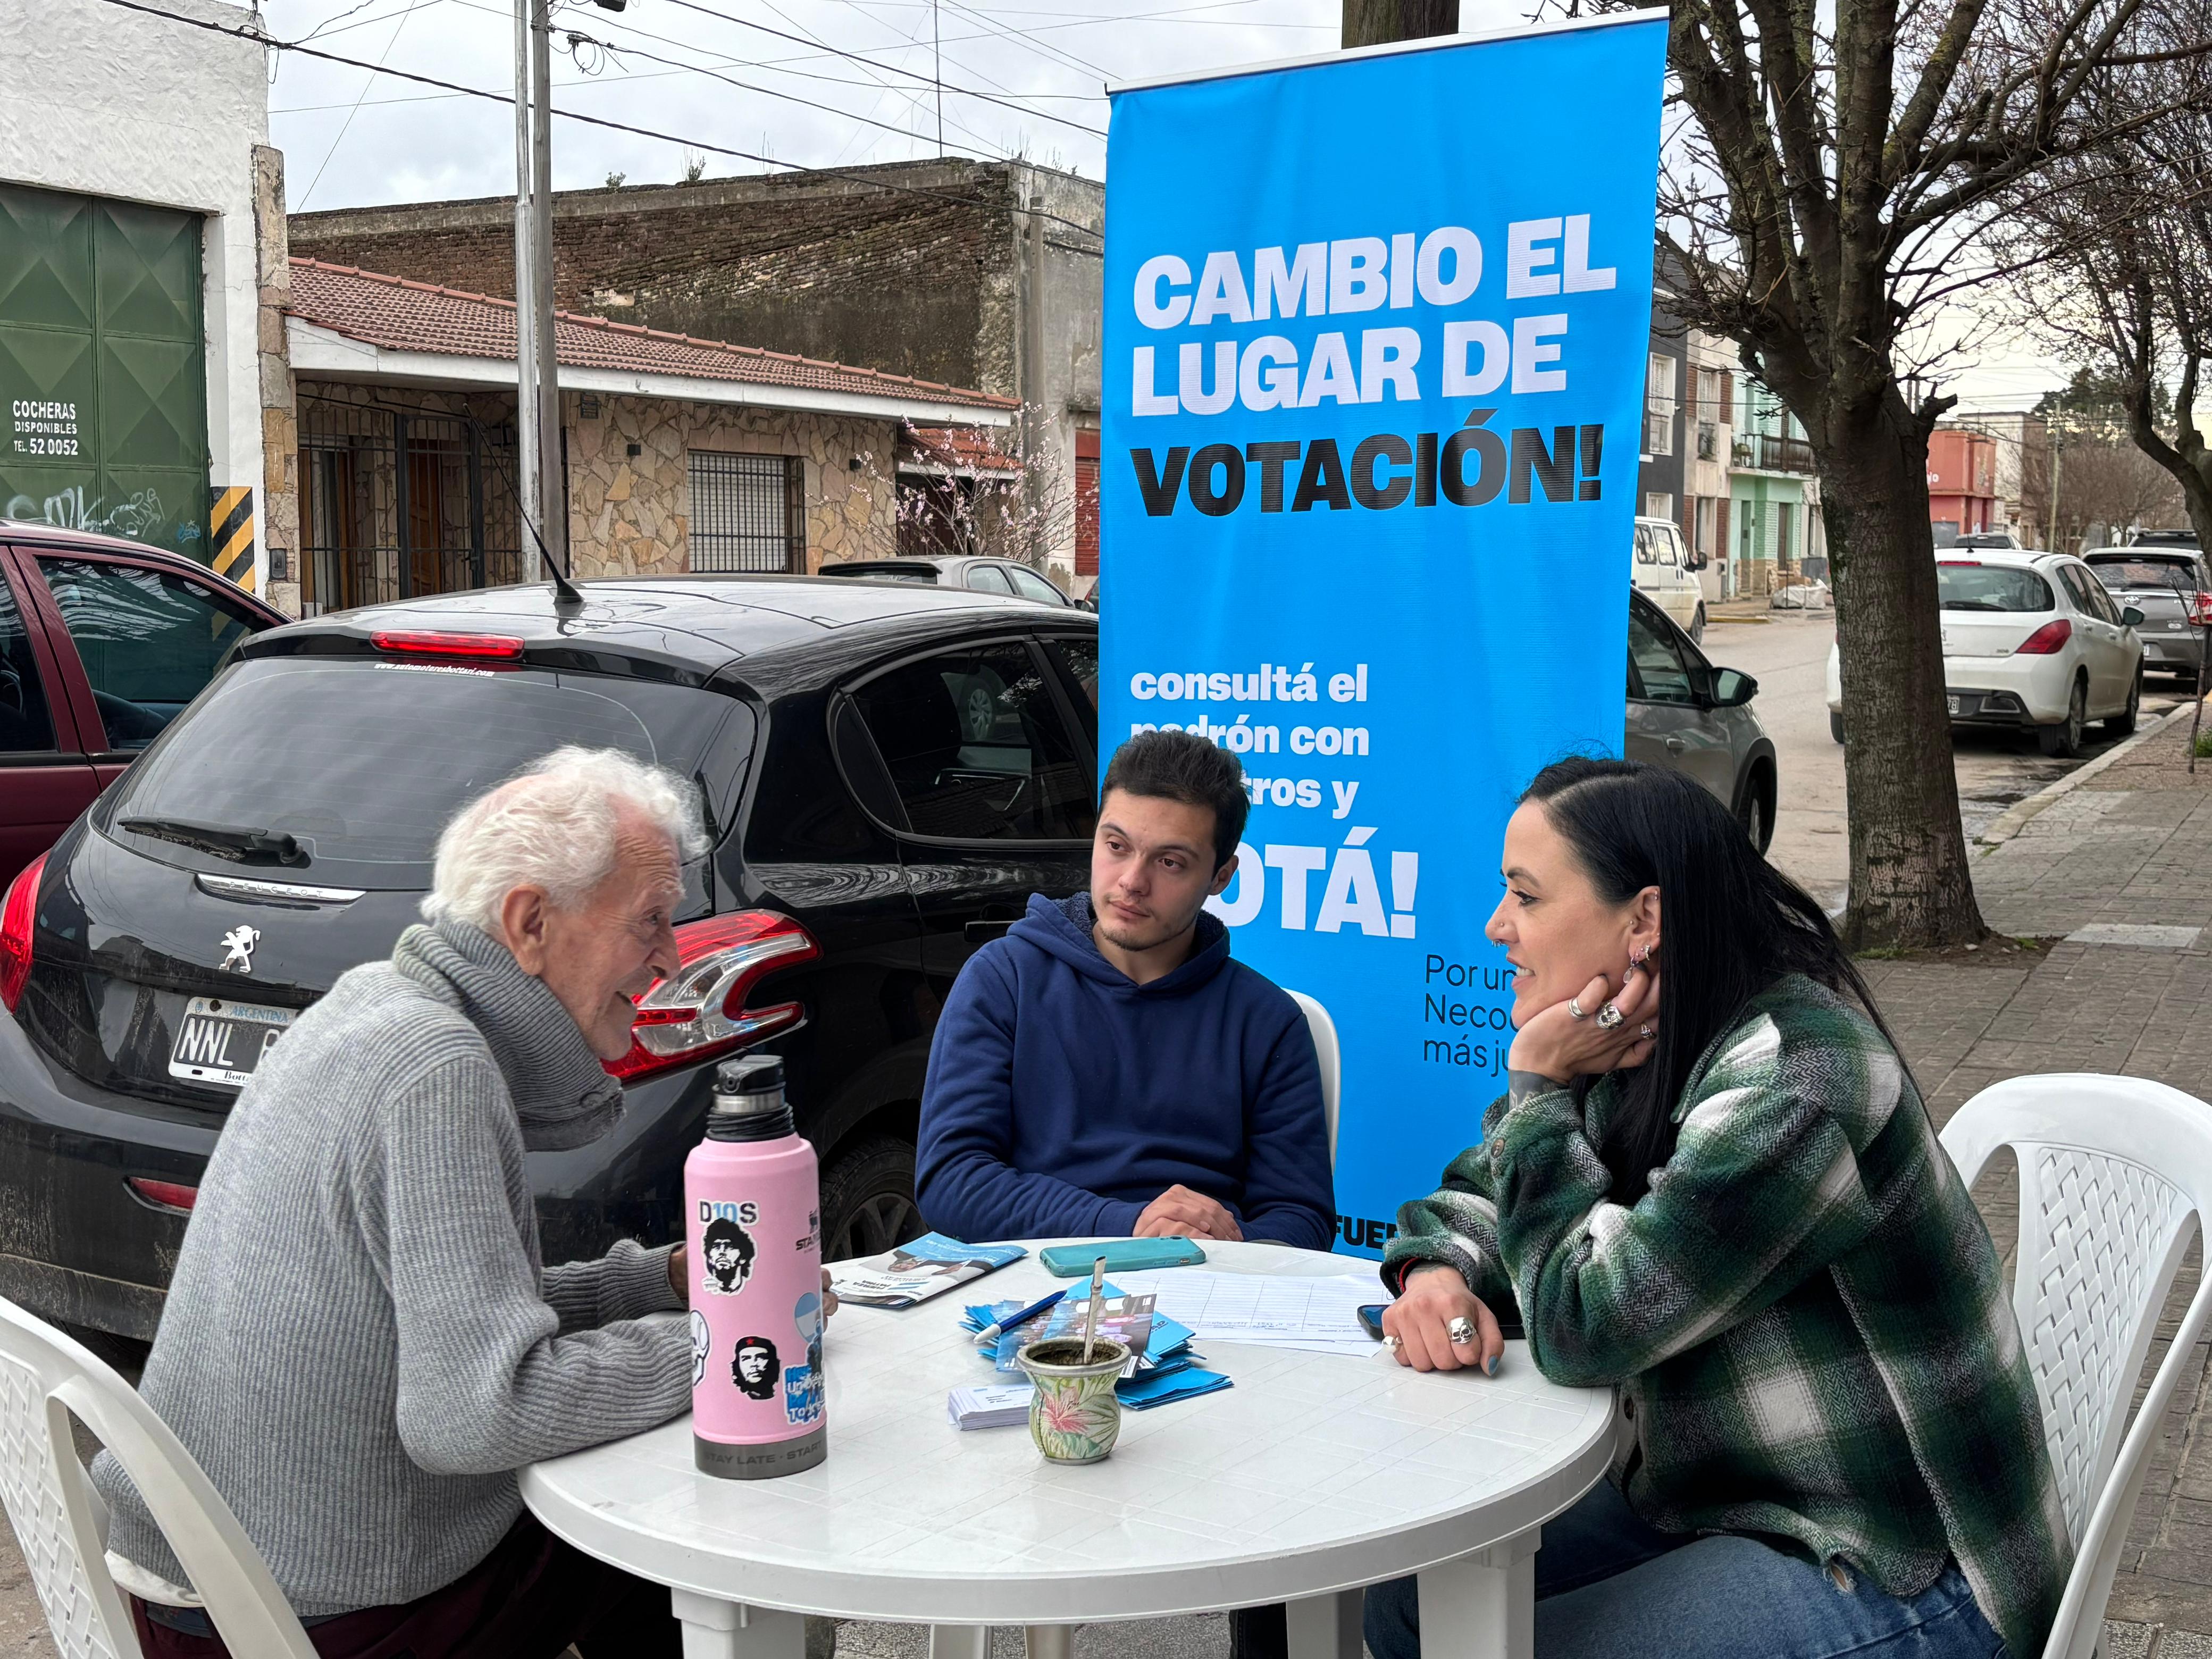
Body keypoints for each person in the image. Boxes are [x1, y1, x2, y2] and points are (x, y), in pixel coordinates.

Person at [94, 747, 830, 1658]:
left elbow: (451, 1317)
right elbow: (477, 1410)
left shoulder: (376, 1003)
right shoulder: (437, 1064)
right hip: (295, 1618)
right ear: (529, 923)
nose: (669, 959)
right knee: (689, 1548)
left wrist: (662, 1285)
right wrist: (743, 1346)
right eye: (650, 922)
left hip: (208, 1577)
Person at [1365, 757, 2069, 1659]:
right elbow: (1478, 1195)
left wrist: (1537, 1087)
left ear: (1645, 920)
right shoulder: (1635, 1035)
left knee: (1506, 1645)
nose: (1499, 927)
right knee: (1410, 1606)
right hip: (1723, 1499)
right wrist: (1433, 1272)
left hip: (1899, 1561)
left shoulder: (1796, 1081)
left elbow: (1588, 1326)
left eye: (1527, 897)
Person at [916, 728, 1335, 1250]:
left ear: (1221, 875)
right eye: (1116, 846)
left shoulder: (1266, 1021)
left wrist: (1212, 1246)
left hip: (1206, 1283)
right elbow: (949, 1181)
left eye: (1169, 862)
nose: (1131, 881)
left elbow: (1300, 1220)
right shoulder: (1004, 979)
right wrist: (1128, 1226)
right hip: (1030, 1286)